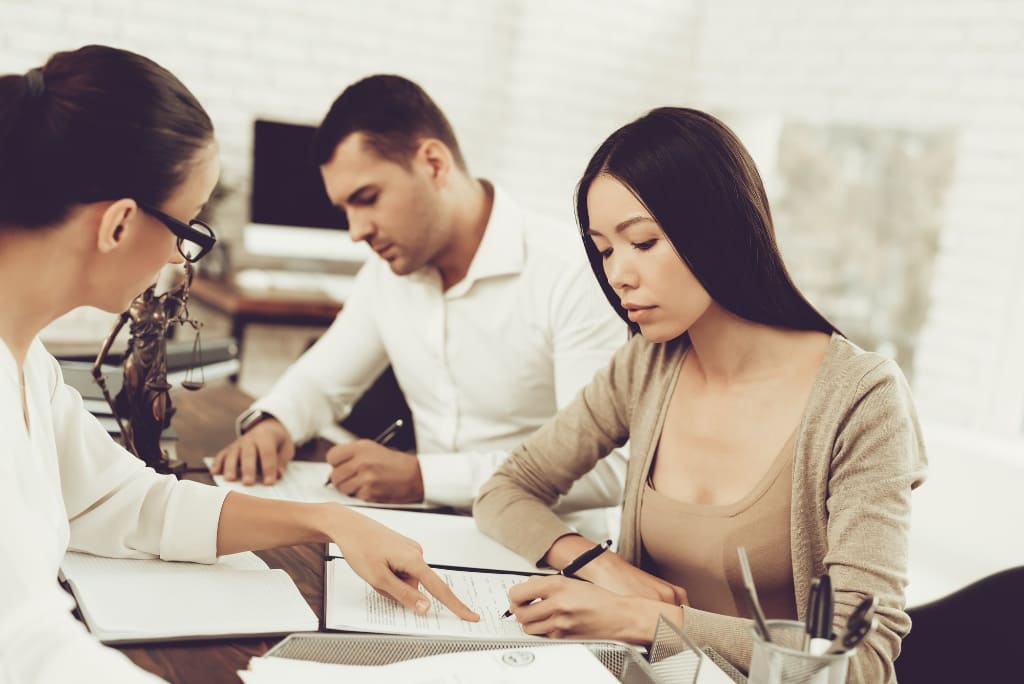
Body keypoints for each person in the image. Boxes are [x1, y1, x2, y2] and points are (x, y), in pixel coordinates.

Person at [0, 46, 477, 684]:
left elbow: (127, 503)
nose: (180, 256)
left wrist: (327, 520)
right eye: (188, 229)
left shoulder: (32, 368)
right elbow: (26, 646)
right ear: (116, 224)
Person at [473, 107, 927, 683]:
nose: (619, 275)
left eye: (643, 241)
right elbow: (505, 490)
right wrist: (594, 562)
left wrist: (646, 619)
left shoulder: (861, 398)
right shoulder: (648, 364)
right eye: (605, 249)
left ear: (720, 228)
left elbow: (856, 658)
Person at [211, 75, 627, 533]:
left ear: (433, 163)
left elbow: (604, 469)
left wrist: (423, 477)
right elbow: (322, 380)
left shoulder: (572, 273)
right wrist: (275, 423)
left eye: (367, 199)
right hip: (428, 531)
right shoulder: (388, 273)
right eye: (345, 209)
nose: (356, 231)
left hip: (551, 549)